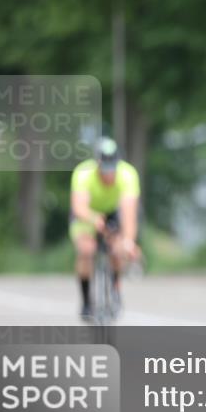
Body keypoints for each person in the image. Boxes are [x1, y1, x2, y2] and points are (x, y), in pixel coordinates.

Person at [69, 137, 141, 320]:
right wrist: (94, 219)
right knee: (87, 250)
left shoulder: (128, 174)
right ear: (97, 164)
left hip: (112, 212)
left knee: (117, 248)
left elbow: (129, 214)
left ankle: (115, 288)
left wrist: (128, 242)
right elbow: (79, 207)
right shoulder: (83, 173)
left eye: (112, 169)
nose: (109, 175)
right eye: (105, 170)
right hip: (87, 213)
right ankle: (86, 301)